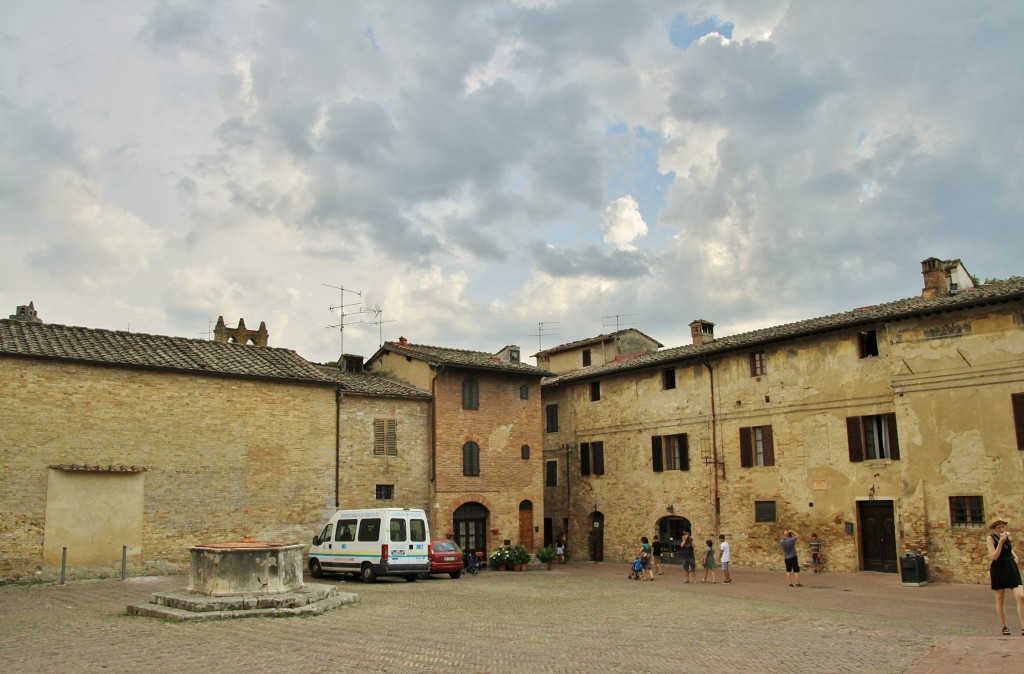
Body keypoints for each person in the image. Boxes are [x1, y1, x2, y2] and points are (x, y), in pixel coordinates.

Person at [987, 518, 1024, 636]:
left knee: (1021, 596)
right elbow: (994, 556)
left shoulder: (1006, 536)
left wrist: (1014, 556)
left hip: (1010, 567)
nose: (1001, 529)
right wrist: (1001, 542)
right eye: (999, 528)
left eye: (1003, 527)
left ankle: (1023, 627)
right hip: (998, 568)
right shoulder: (990, 538)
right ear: (994, 529)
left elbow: (1009, 549)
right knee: (999, 598)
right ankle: (1004, 626)